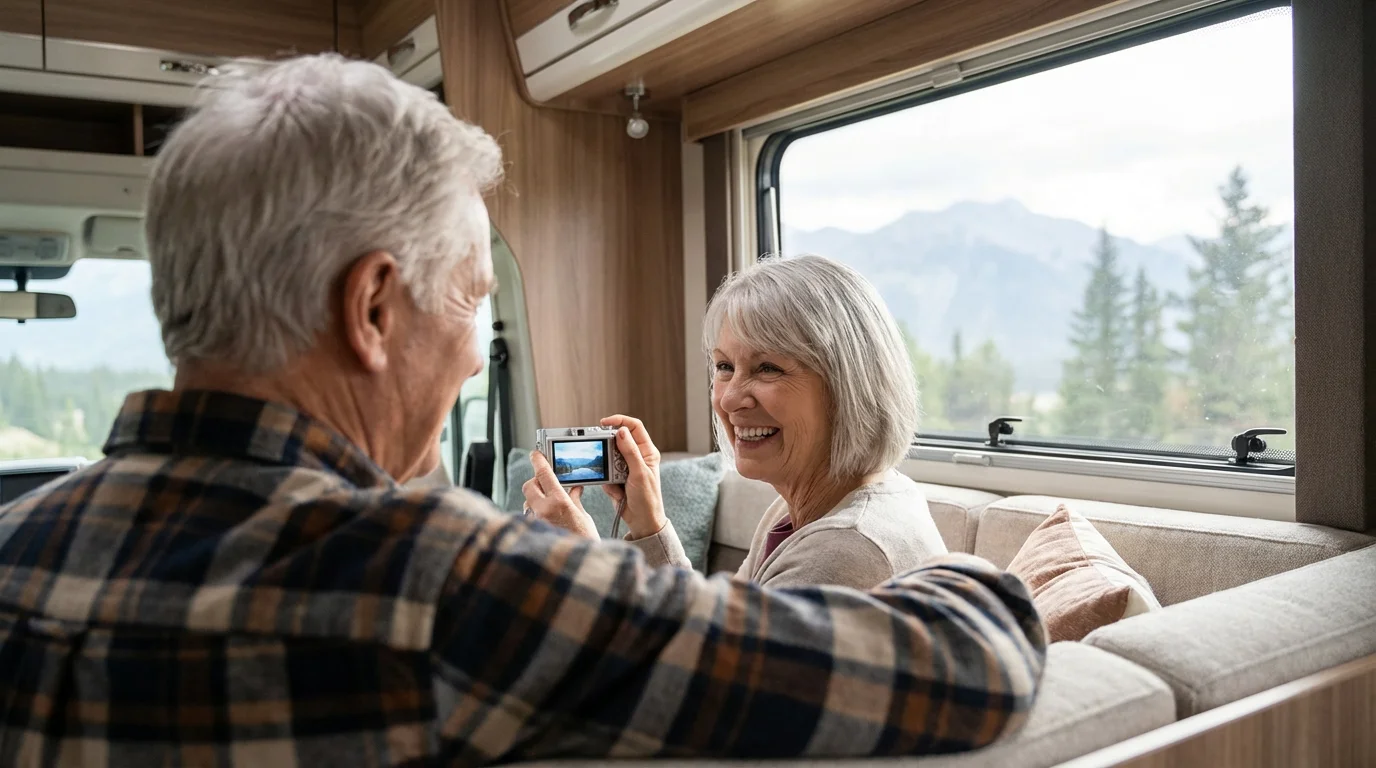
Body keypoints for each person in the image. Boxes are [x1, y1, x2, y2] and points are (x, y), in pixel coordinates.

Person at [0, 54, 1045, 766]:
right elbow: (959, 668)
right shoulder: (440, 583)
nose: (467, 359)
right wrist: (988, 575)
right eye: (471, 298)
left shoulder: (17, 543)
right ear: (370, 308)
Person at [524, 255, 947, 589]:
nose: (728, 398)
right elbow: (713, 642)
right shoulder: (803, 507)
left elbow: (700, 691)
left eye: (767, 368)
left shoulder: (844, 550)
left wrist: (584, 565)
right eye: (724, 366)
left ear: (848, 386)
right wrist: (649, 525)